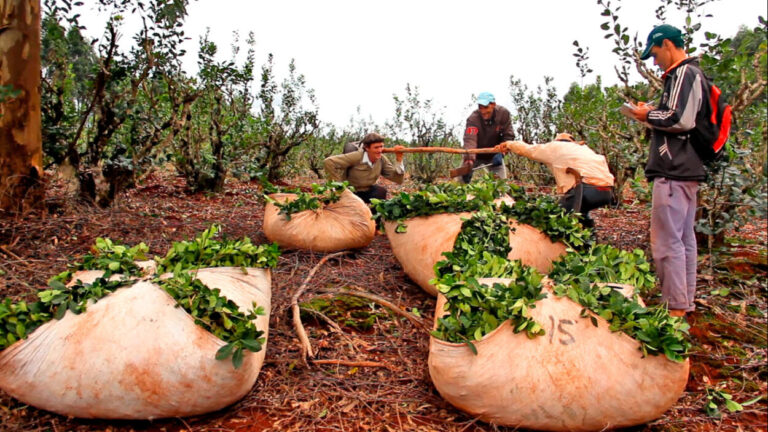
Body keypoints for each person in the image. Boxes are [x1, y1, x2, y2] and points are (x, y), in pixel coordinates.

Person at [626, 24, 708, 318]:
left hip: (674, 170)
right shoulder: (692, 75)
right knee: (684, 241)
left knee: (666, 244)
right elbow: (678, 116)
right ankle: (683, 304)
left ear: (667, 45)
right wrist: (649, 114)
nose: (654, 60)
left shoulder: (684, 73)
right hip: (687, 169)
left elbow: (680, 119)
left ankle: (674, 311)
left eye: (655, 53)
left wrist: (645, 114)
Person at [503, 133, 615, 227]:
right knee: (580, 213)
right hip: (606, 192)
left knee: (558, 217)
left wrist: (509, 144)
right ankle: (590, 242)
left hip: (585, 190)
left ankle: (560, 249)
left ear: (558, 141)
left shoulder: (556, 147)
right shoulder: (584, 149)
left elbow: (529, 150)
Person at [323, 132, 405, 203]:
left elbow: (397, 178)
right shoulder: (357, 156)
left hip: (368, 190)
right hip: (352, 191)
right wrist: (339, 187)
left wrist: (399, 159)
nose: (380, 150)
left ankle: (375, 220)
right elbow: (329, 162)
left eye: (381, 146)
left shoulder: (381, 159)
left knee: (381, 192)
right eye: (376, 147)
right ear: (367, 148)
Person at [460, 92, 516, 182]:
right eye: (480, 107)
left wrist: (501, 153)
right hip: (475, 155)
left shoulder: (503, 114)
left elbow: (508, 136)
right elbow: (470, 139)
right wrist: (469, 161)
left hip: (494, 154)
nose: (483, 111)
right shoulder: (473, 119)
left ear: (493, 104)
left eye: (485, 107)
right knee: (459, 182)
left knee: (501, 185)